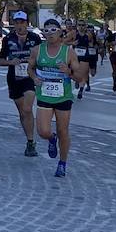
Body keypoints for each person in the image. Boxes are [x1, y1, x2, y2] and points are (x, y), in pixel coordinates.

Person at [32, 18, 78, 178]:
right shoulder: (37, 50)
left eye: (53, 30)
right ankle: (52, 140)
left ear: (60, 32)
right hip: (44, 95)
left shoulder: (68, 52)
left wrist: (69, 72)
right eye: (46, 30)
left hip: (63, 97)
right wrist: (34, 78)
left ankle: (62, 163)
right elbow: (30, 68)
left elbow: (79, 77)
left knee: (63, 130)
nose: (49, 33)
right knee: (43, 131)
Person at [0, 11, 39, 155]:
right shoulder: (8, 39)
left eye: (22, 22)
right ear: (13, 24)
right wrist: (11, 62)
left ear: (27, 23)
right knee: (22, 113)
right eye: (17, 22)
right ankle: (29, 141)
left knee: (28, 109)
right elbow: (0, 61)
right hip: (14, 79)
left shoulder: (35, 38)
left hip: (29, 77)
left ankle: (31, 142)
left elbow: (41, 57)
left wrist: (32, 62)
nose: (19, 25)